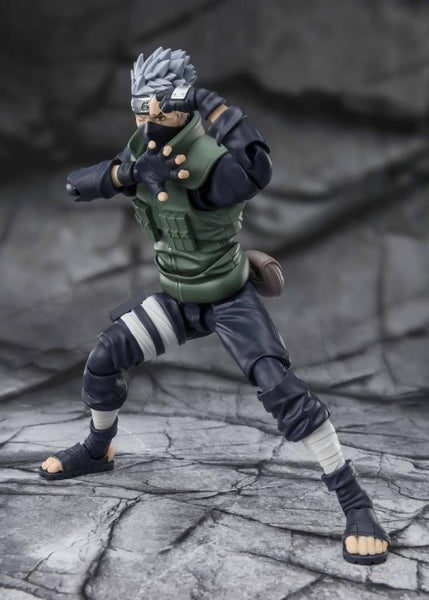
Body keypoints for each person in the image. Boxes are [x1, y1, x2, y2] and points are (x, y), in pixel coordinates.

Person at [39, 47, 390, 565]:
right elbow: (76, 185)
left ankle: (355, 502)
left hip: (227, 298)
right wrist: (126, 174)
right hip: (178, 298)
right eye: (139, 106)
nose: (147, 117)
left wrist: (216, 108)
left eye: (158, 105)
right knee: (105, 355)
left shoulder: (210, 160)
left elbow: (256, 170)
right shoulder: (142, 148)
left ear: (181, 104)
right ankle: (97, 449)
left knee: (279, 387)